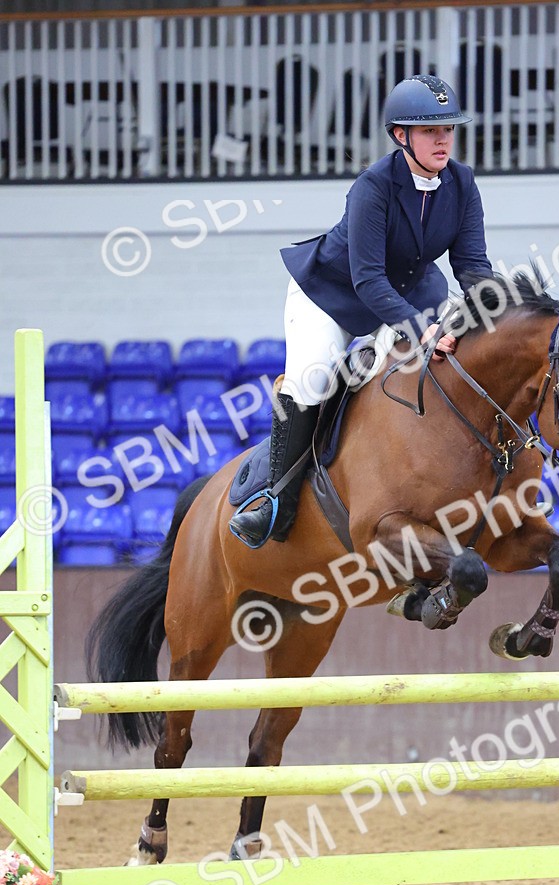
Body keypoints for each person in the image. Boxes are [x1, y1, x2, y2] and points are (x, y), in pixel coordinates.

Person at [230, 73, 494, 548]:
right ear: (401, 136)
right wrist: (424, 329)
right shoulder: (373, 186)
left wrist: (496, 311)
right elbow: (367, 279)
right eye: (430, 129)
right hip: (332, 293)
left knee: (434, 368)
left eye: (448, 128)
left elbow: (472, 266)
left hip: (411, 289)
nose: (443, 139)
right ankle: (275, 500)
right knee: (311, 380)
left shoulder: (462, 182)